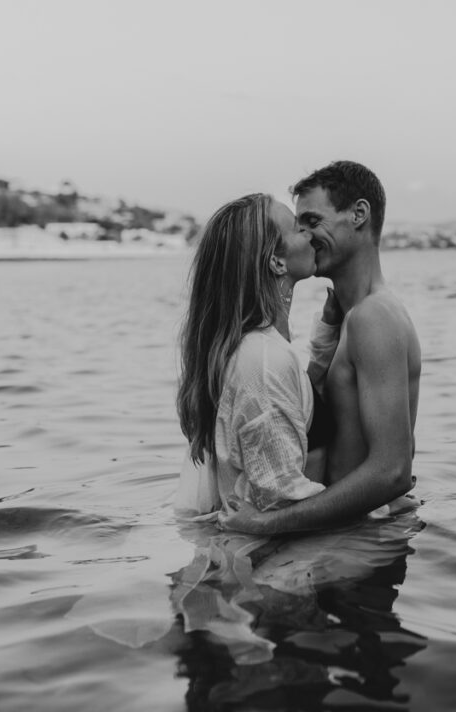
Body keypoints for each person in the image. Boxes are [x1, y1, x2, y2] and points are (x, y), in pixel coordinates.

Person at [219, 160, 422, 535]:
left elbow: (393, 472)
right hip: (340, 537)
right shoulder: (349, 317)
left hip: (358, 548)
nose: (307, 236)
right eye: (299, 226)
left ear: (359, 214)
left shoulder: (373, 317)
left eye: (313, 222)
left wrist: (267, 524)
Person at [174, 192, 340, 516]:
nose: (311, 233)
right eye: (297, 228)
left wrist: (326, 336)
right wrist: (379, 507)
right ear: (276, 261)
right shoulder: (263, 362)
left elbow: (293, 404)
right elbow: (281, 505)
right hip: (280, 565)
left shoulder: (258, 349)